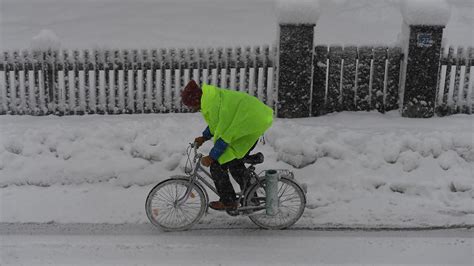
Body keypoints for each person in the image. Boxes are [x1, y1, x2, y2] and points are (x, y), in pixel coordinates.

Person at [180, 80, 273, 210]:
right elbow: (216, 124)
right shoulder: (211, 100)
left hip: (249, 126)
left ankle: (229, 202)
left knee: (217, 166)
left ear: (195, 100)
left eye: (191, 106)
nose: (192, 109)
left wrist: (212, 157)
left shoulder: (213, 104)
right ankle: (251, 199)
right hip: (250, 121)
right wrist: (204, 137)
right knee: (234, 164)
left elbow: (225, 136)